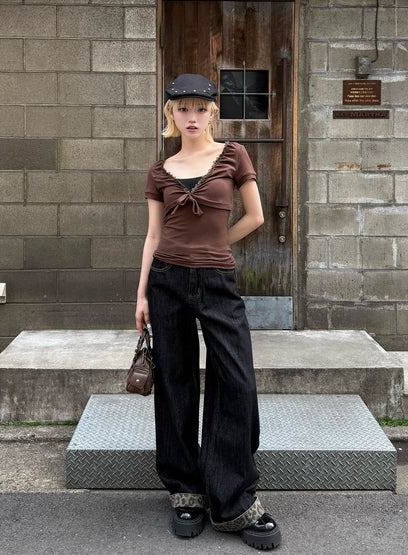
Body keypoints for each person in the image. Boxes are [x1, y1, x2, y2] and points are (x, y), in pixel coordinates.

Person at [135, 73, 281, 551]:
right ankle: (186, 490)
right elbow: (153, 236)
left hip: (218, 281)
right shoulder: (160, 170)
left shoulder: (233, 155)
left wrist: (219, 245)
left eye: (201, 108)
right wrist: (141, 295)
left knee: (236, 380)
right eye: (183, 109)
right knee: (175, 382)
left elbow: (255, 216)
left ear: (213, 112)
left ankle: (233, 497)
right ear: (171, 114)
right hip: (166, 281)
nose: (192, 116)